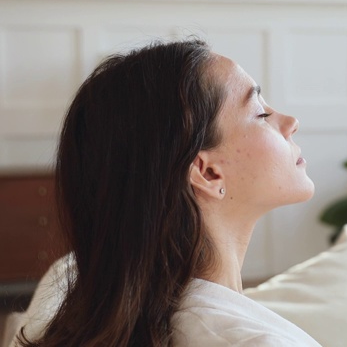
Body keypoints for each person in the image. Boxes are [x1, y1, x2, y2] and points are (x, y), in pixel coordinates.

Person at [16, 39, 319, 346]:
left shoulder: (82, 289)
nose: (291, 122)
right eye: (260, 114)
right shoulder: (255, 340)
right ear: (207, 172)